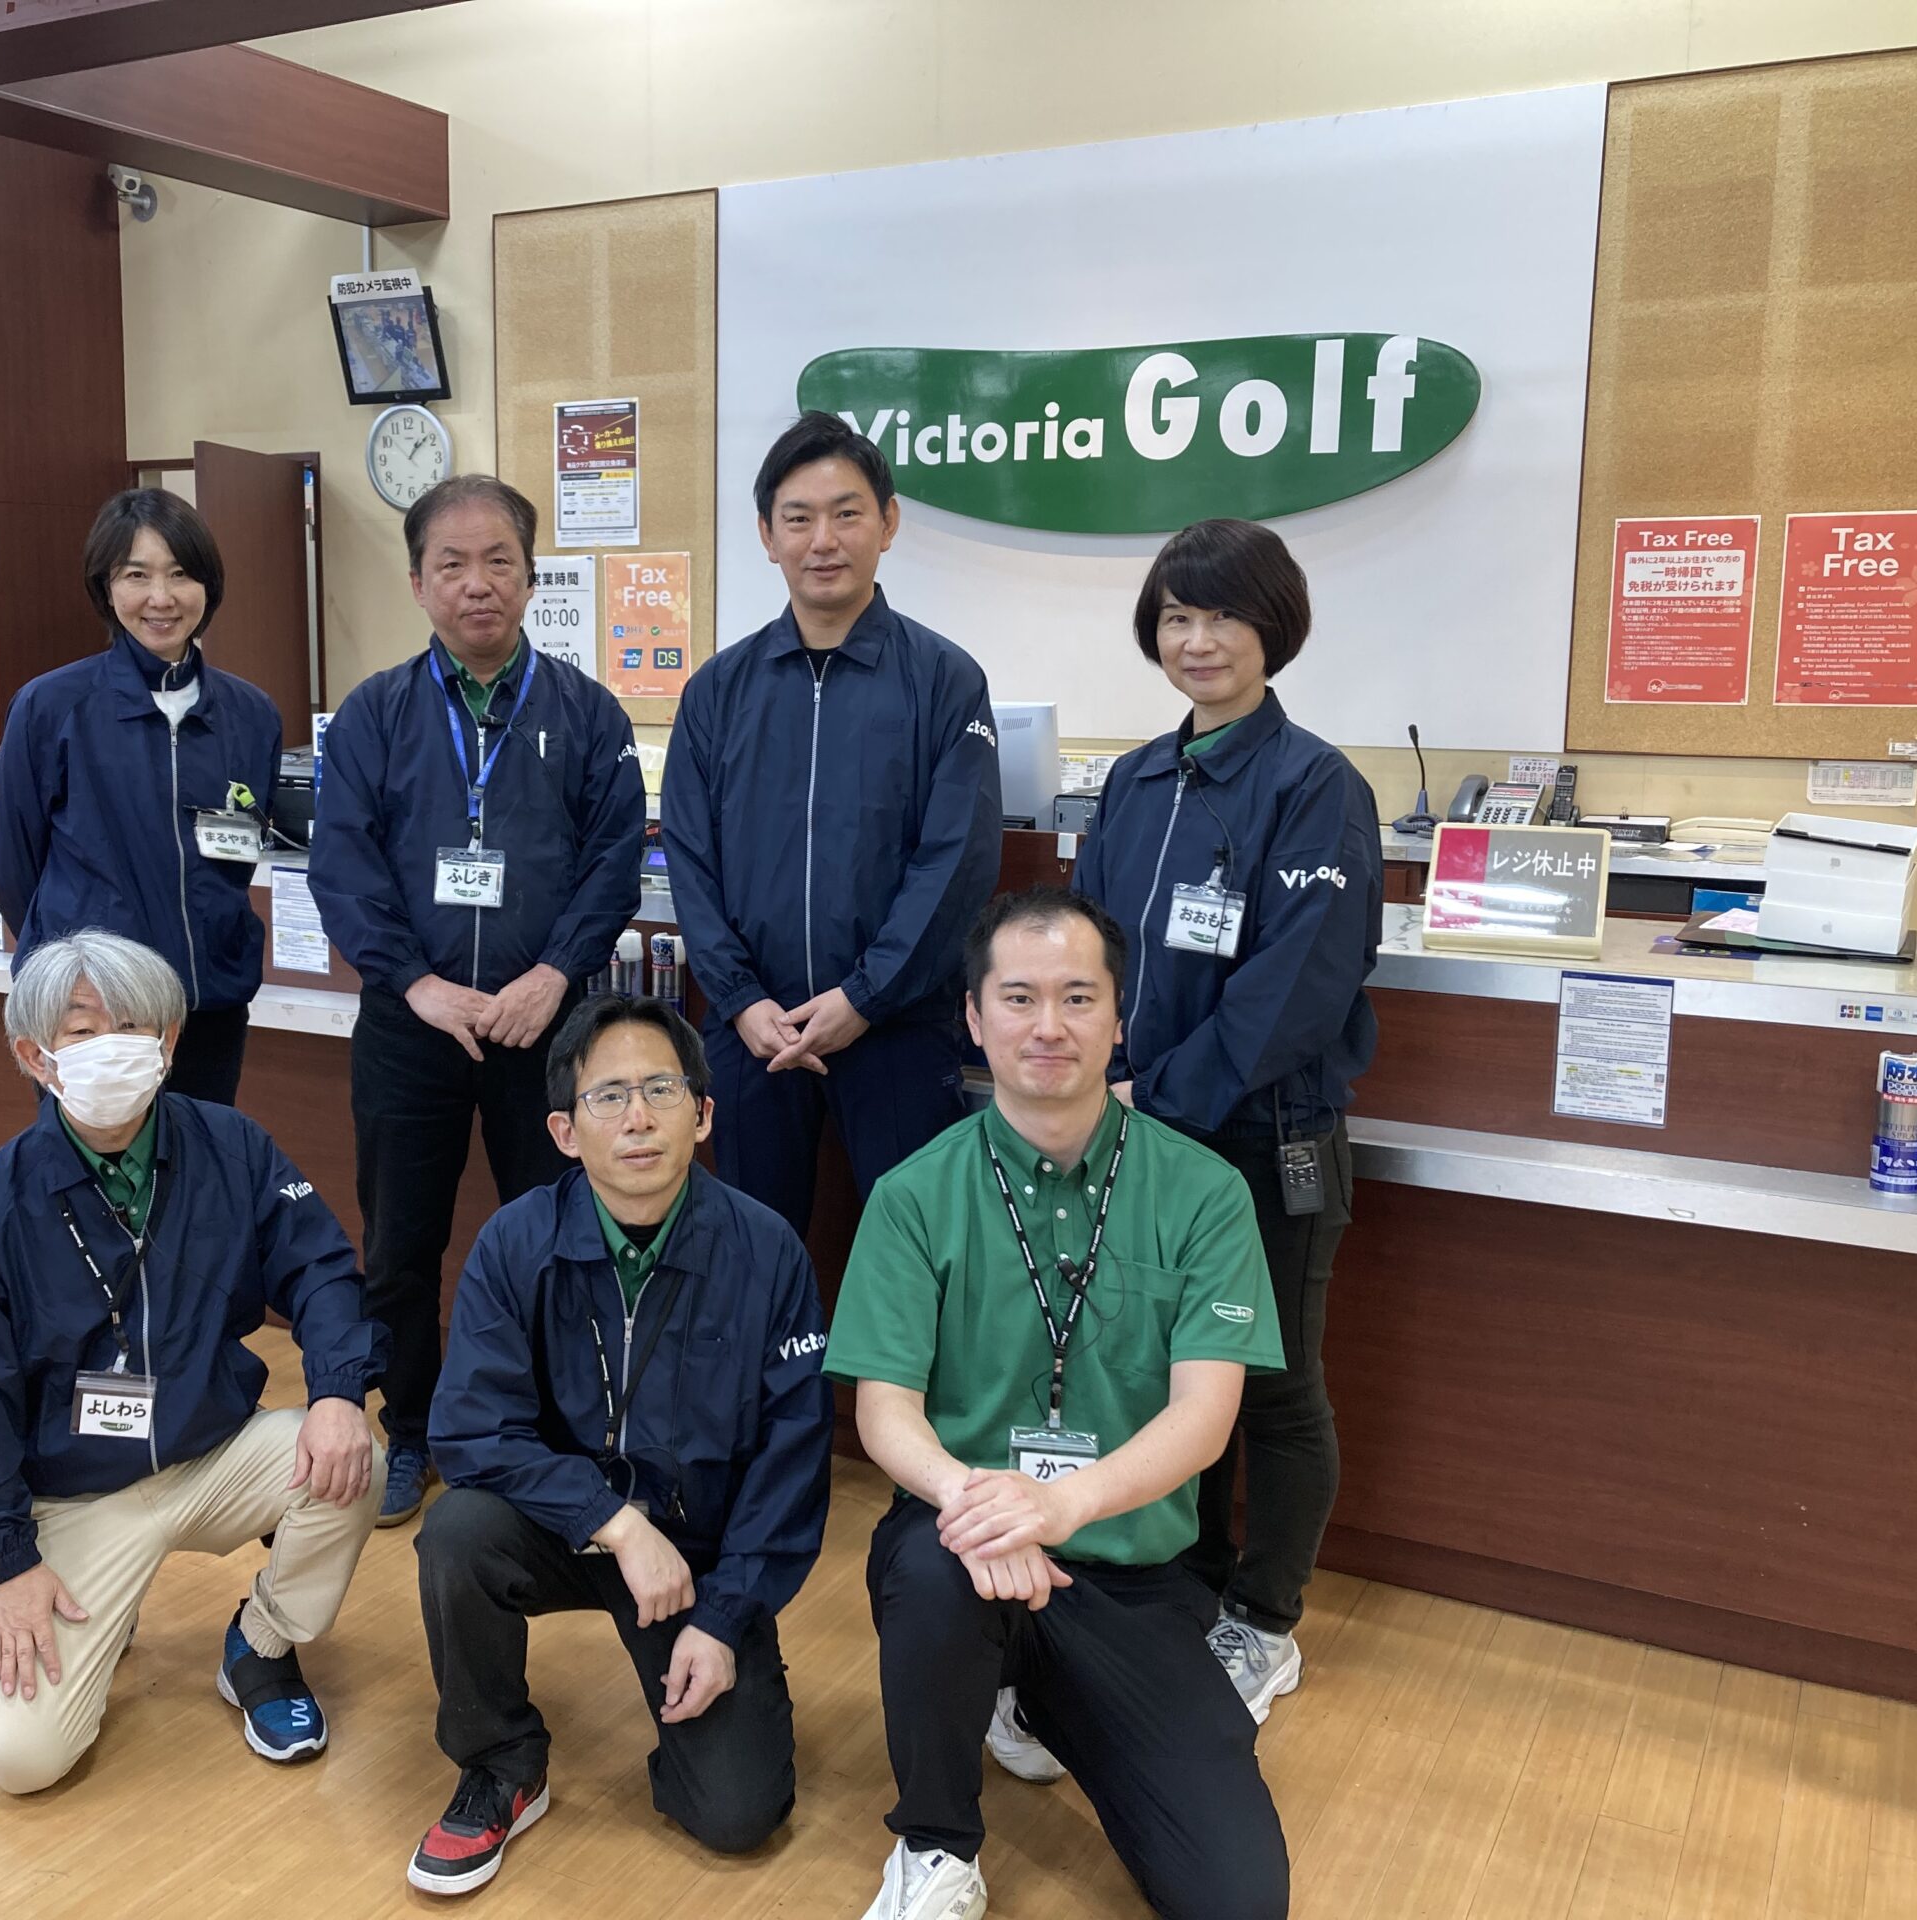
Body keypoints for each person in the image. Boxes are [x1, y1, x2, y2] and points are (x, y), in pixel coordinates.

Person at [826, 889, 1289, 1920]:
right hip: (964, 1549)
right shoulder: (913, 1194)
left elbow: (1205, 1417)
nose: (1048, 1026)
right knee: (928, 1568)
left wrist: (1062, 1505)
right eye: (1019, 997)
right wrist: (978, 1503)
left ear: (1120, 1018)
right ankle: (937, 1845)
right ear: (973, 1016)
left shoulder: (1205, 1192)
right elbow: (884, 1411)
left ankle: (1034, 1696)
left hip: (1129, 1569)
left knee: (1236, 1899)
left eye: (1078, 998)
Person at [0, 929, 387, 1794]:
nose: (113, 1048)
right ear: (35, 1057)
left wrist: (336, 1394)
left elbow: (322, 1270)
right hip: (73, 1497)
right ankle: (107, 1600)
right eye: (82, 1031)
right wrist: (7, 1566)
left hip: (208, 1454)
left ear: (170, 1041)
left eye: (135, 1027)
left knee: (355, 1462)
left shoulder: (232, 1147)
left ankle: (262, 1645)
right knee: (24, 1763)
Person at [406, 994, 832, 1895]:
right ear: (565, 1132)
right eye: (608, 1097)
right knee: (458, 1533)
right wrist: (615, 1523)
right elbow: (471, 1428)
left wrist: (723, 1620)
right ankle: (500, 1762)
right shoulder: (515, 1241)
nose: (637, 1118)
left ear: (702, 1114)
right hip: (565, 1527)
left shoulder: (768, 1251)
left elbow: (790, 1464)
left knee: (738, 1814)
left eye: (660, 1090)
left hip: (697, 1558)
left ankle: (710, 1691)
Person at [1070, 517, 1382, 1724]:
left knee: (1273, 1384)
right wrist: (1095, 1078)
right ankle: (1183, 1586)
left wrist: (1154, 1098)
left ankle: (1262, 1619)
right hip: (1139, 1130)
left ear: (1272, 629)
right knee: (1164, 1378)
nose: (1197, 641)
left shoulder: (1315, 787)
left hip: (1260, 1140)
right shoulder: (1137, 781)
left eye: (1222, 616)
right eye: (1175, 618)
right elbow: (1089, 950)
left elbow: (1293, 991)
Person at [309, 474, 647, 1526]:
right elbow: (342, 866)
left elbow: (613, 863)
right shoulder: (372, 716)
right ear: (418, 584)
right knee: (399, 1243)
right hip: (411, 1026)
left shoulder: (587, 715)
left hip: (545, 1028)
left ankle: (546, 1429)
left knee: (559, 1236)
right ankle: (410, 1427)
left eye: (498, 560)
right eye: (450, 564)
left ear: (531, 577)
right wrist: (416, 982)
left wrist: (552, 974)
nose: (476, 583)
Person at [659, 408, 1002, 1239]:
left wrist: (864, 997)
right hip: (755, 1032)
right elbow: (691, 859)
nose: (823, 540)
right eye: (798, 518)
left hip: (896, 1028)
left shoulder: (945, 680)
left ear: (887, 523)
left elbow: (955, 863)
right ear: (766, 535)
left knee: (915, 1254)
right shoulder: (718, 691)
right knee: (753, 1253)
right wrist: (741, 1000)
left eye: (847, 514)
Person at [0, 489, 285, 1106]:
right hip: (93, 1012)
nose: (161, 598)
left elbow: (240, 853)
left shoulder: (251, 714)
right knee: (91, 1164)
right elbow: (13, 866)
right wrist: (70, 972)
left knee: (200, 1156)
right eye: (137, 575)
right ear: (106, 587)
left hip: (209, 1004)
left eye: (181, 574)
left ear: (208, 586)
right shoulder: (52, 706)